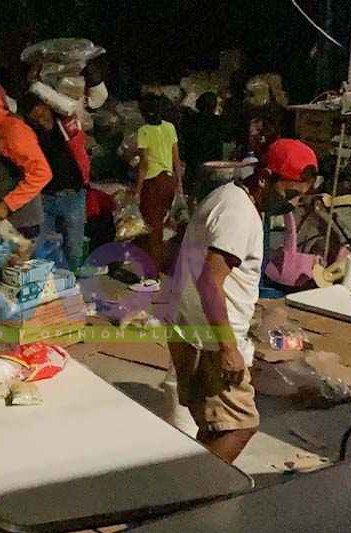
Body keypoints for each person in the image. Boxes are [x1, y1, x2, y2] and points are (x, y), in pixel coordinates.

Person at [165, 163, 266, 465]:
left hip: (192, 325)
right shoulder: (238, 213)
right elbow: (210, 280)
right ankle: (197, 492)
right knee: (241, 425)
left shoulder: (226, 197)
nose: (297, 201)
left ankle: (191, 484)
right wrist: (228, 347)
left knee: (215, 426)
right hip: (210, 338)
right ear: (266, 179)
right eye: (294, 191)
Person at [0, 78, 52, 240]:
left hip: (22, 222)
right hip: (5, 218)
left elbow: (42, 173)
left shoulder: (14, 131)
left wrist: (7, 205)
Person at [23, 95, 91, 272]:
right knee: (40, 248)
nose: (40, 119)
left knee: (74, 249)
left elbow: (73, 107)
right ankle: (46, 287)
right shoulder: (31, 135)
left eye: (42, 113)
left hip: (73, 196)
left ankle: (73, 285)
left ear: (48, 107)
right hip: (45, 197)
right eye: (35, 117)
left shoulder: (66, 125)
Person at [134, 95, 184, 276]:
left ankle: (152, 276)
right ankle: (167, 264)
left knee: (152, 230)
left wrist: (137, 190)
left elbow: (144, 164)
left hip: (152, 182)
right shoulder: (169, 127)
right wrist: (179, 184)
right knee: (166, 225)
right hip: (168, 180)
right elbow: (176, 158)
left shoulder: (144, 131)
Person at [180, 93, 228, 196]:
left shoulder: (189, 121)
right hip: (213, 166)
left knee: (192, 196)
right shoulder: (219, 122)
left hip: (193, 165)